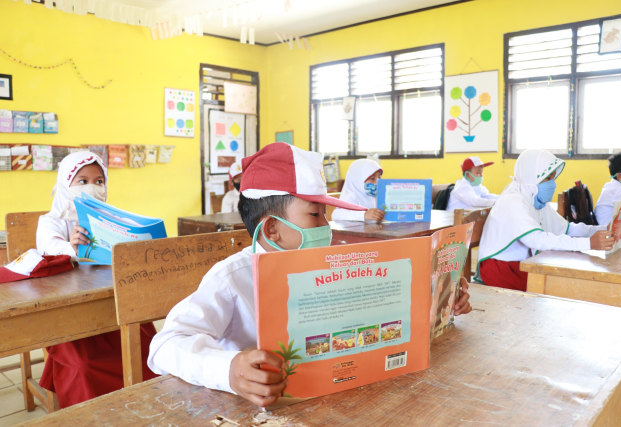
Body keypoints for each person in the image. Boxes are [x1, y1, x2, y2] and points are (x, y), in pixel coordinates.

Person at [148, 143, 473, 407]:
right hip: (256, 410)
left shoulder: (334, 264)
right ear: (273, 229)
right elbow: (164, 346)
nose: (326, 227)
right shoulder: (231, 279)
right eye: (315, 214)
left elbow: (378, 314)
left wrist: (439, 299)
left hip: (341, 401)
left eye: (325, 214)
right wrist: (228, 369)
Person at [36, 151, 157, 408]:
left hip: (110, 306)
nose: (92, 187)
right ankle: (93, 415)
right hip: (69, 316)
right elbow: (49, 249)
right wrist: (72, 247)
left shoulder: (110, 220)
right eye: (82, 181)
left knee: (148, 343)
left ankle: (141, 409)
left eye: (99, 181)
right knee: (84, 366)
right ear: (65, 184)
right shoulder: (50, 223)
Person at [477, 149, 614, 292]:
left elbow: (566, 229)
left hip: (523, 263)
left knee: (567, 282)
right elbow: (537, 240)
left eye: (553, 178)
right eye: (547, 178)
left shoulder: (534, 198)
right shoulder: (514, 201)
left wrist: (601, 229)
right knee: (562, 287)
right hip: (502, 268)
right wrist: (589, 243)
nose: (552, 184)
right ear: (531, 176)